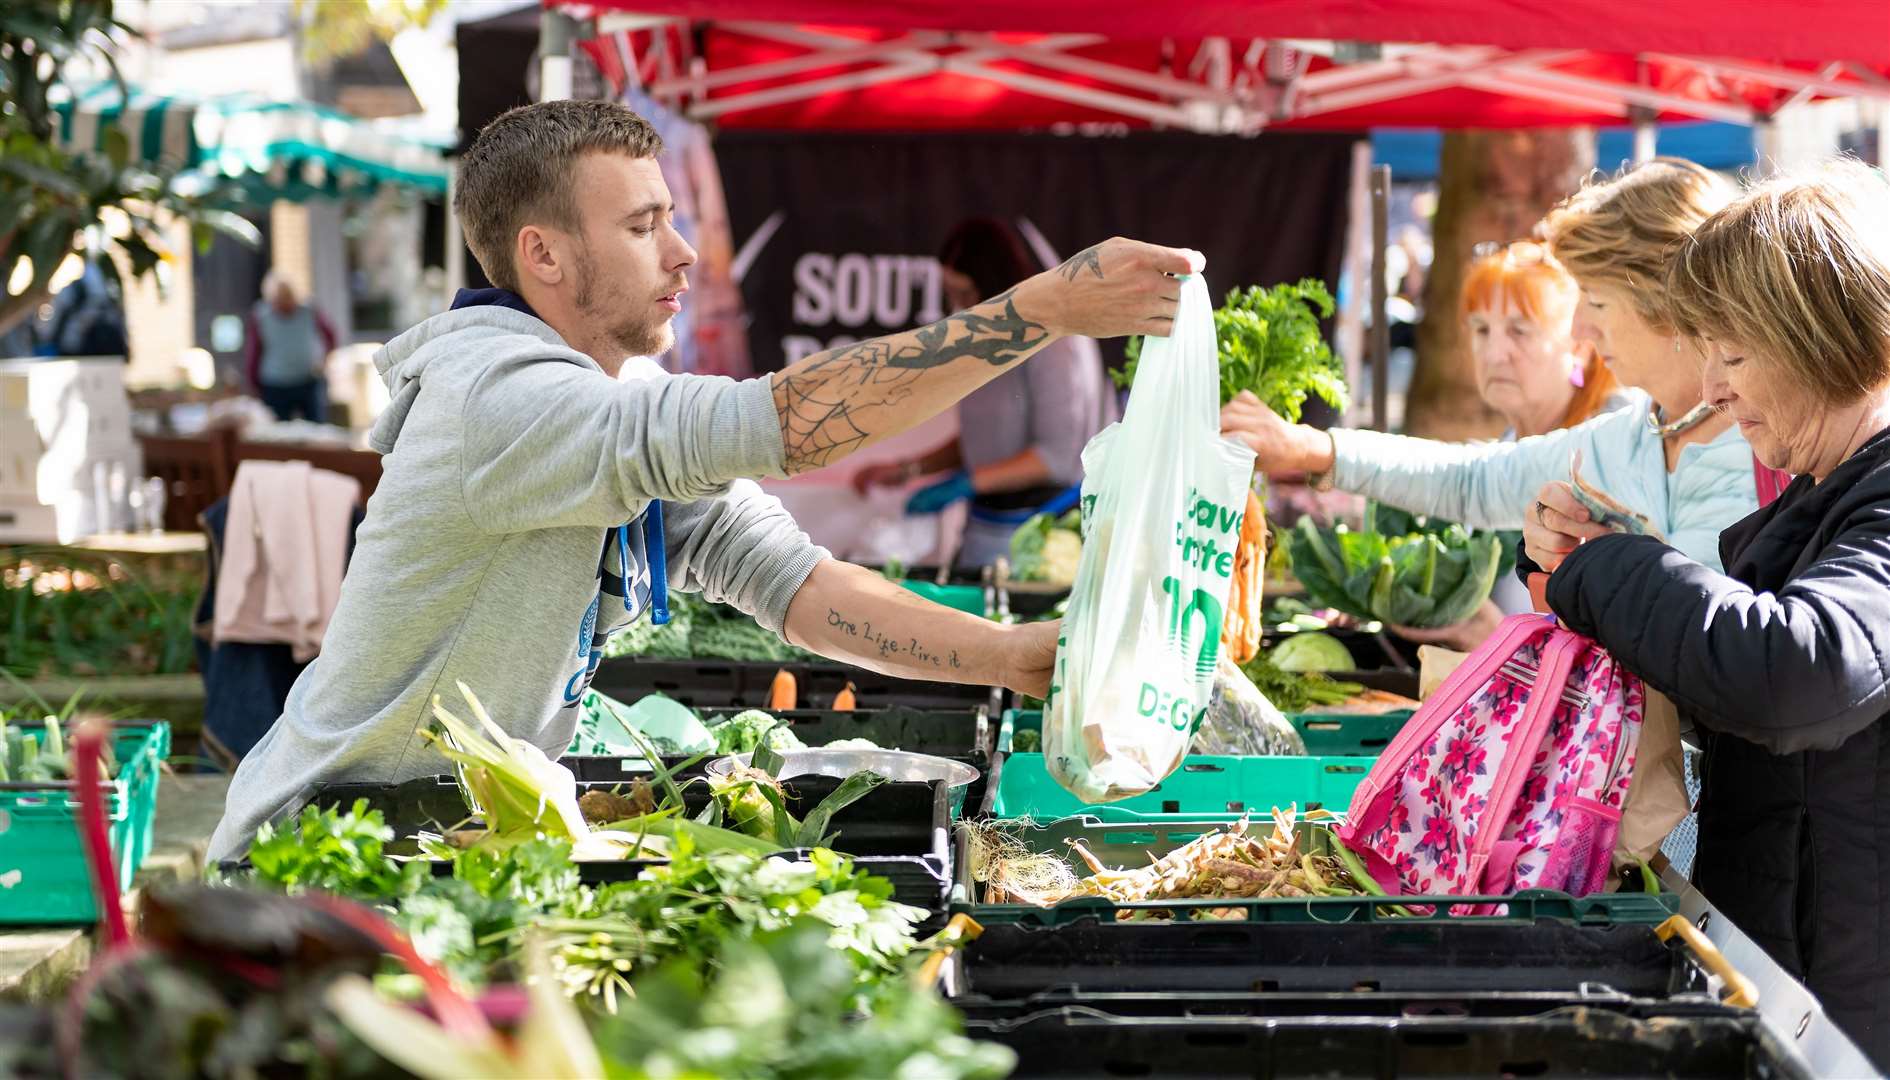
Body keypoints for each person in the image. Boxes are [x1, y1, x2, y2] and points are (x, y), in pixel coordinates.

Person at [207, 99, 1200, 859]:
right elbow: (793, 423)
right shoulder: (499, 394)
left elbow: (794, 587)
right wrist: (1043, 307)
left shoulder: (616, 387)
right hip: (321, 850)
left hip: (452, 836)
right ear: (543, 255)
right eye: (644, 227)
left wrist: (1012, 656)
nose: (682, 254)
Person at [1519, 160, 1890, 1067]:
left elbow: (1798, 670)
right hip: (1805, 983)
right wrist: (1615, 562)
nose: (1713, 390)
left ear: (1817, 336)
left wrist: (1618, 571)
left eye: (1733, 354)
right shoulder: (1826, 499)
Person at [1220, 158, 1750, 652]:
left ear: (1670, 302)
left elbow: (1699, 644)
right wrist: (1312, 448)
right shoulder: (1639, 432)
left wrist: (1596, 572)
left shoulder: (1756, 446)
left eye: (1597, 302)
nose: (1581, 330)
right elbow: (1472, 481)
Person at [851, 218, 1116, 568]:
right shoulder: (982, 346)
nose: (959, 306)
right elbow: (987, 439)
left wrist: (967, 483)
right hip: (982, 532)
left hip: (1044, 540)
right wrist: (909, 470)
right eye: (951, 295)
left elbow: (1055, 457)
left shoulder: (1052, 343)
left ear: (996, 284)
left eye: (965, 294)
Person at [245, 272, 338, 423]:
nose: (283, 305)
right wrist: (253, 383)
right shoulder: (261, 315)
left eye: (286, 298)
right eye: (278, 301)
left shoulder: (309, 310)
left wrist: (324, 362)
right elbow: (254, 352)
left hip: (307, 380)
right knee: (278, 432)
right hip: (274, 383)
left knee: (316, 428)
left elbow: (330, 336)